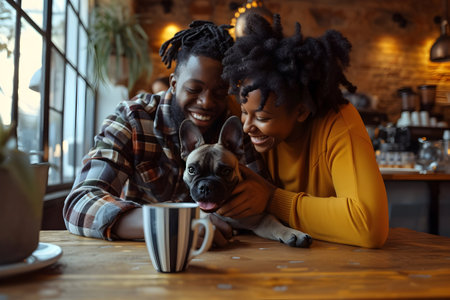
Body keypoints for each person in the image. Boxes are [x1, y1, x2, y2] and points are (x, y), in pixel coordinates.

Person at [63, 20, 255, 242]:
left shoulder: (234, 128)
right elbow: (80, 204)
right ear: (173, 84)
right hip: (144, 256)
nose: (206, 102)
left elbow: (259, 194)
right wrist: (173, 223)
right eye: (194, 89)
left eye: (220, 92)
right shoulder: (133, 118)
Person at [219, 13, 389, 248]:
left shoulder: (338, 123)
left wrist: (271, 198)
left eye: (262, 117)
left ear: (301, 111)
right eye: (244, 112)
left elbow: (369, 225)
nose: (247, 127)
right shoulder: (247, 120)